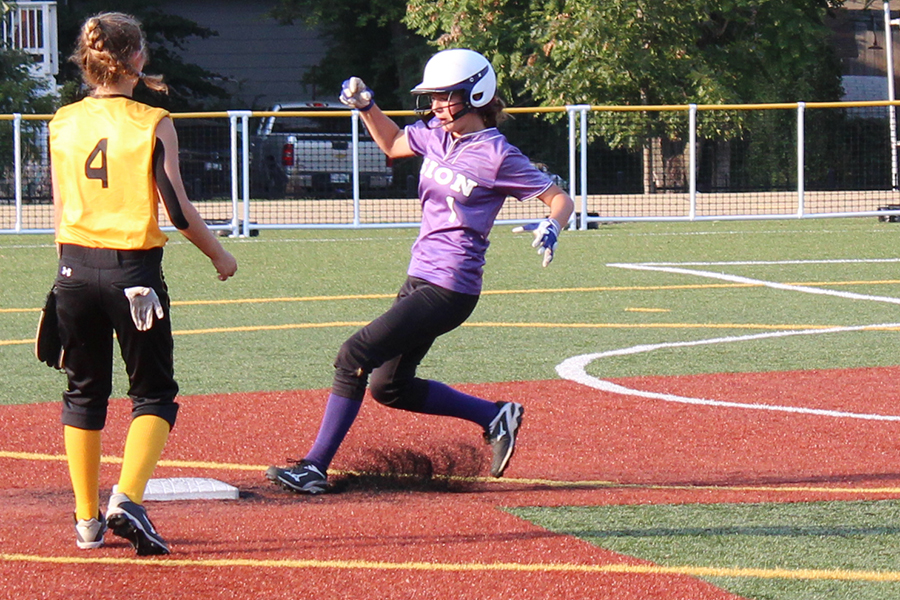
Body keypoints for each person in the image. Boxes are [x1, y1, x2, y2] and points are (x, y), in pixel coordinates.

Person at [266, 48, 574, 494]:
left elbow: (559, 199)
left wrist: (553, 224)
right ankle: (493, 415)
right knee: (389, 387)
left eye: (444, 97)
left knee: (352, 356)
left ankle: (314, 467)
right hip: (419, 277)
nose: (434, 106)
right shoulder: (436, 134)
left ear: (476, 94)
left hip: (451, 286)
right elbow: (392, 144)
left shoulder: (497, 154)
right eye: (432, 97)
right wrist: (367, 107)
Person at [48, 12, 237, 555]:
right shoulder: (152, 120)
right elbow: (176, 209)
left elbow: (61, 210)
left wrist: (65, 274)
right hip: (134, 274)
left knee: (84, 394)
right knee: (153, 393)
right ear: (136, 58)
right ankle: (126, 497)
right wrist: (220, 255)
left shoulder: (62, 120)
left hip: (74, 269)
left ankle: (87, 522)